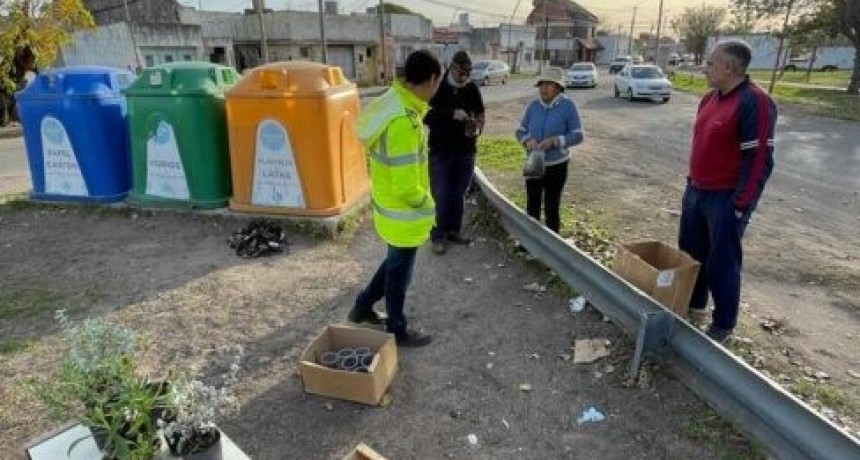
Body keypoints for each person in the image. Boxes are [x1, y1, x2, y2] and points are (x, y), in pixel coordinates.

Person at [679, 40, 777, 344]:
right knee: (691, 255)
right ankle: (694, 308)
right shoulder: (709, 98)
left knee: (721, 261)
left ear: (729, 67)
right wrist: (691, 182)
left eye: (710, 63)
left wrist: (740, 205)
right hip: (696, 191)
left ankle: (723, 325)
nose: (705, 68)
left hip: (726, 199)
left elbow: (759, 160)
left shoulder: (755, 102)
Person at [348, 50, 443, 348]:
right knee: (400, 273)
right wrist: (428, 204)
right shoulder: (404, 120)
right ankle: (397, 328)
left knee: (394, 263)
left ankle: (362, 307)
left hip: (390, 207)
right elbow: (406, 187)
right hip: (403, 210)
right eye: (437, 82)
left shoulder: (395, 102)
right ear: (430, 80)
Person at [424, 50, 485, 255]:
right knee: (441, 193)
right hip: (441, 151)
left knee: (458, 193)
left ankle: (453, 231)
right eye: (460, 72)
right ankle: (438, 235)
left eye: (467, 73)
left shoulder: (471, 89)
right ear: (452, 67)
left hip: (466, 151)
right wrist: (451, 114)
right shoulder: (438, 88)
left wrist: (477, 125)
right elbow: (425, 115)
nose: (463, 77)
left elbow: (481, 112)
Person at [514, 67, 584, 234]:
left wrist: (556, 141)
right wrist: (527, 140)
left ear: (558, 87)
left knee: (552, 207)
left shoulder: (568, 106)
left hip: (557, 165)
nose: (544, 89)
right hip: (534, 161)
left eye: (549, 84)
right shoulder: (533, 106)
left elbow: (578, 135)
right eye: (541, 84)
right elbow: (520, 130)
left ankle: (552, 247)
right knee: (532, 205)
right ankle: (530, 243)